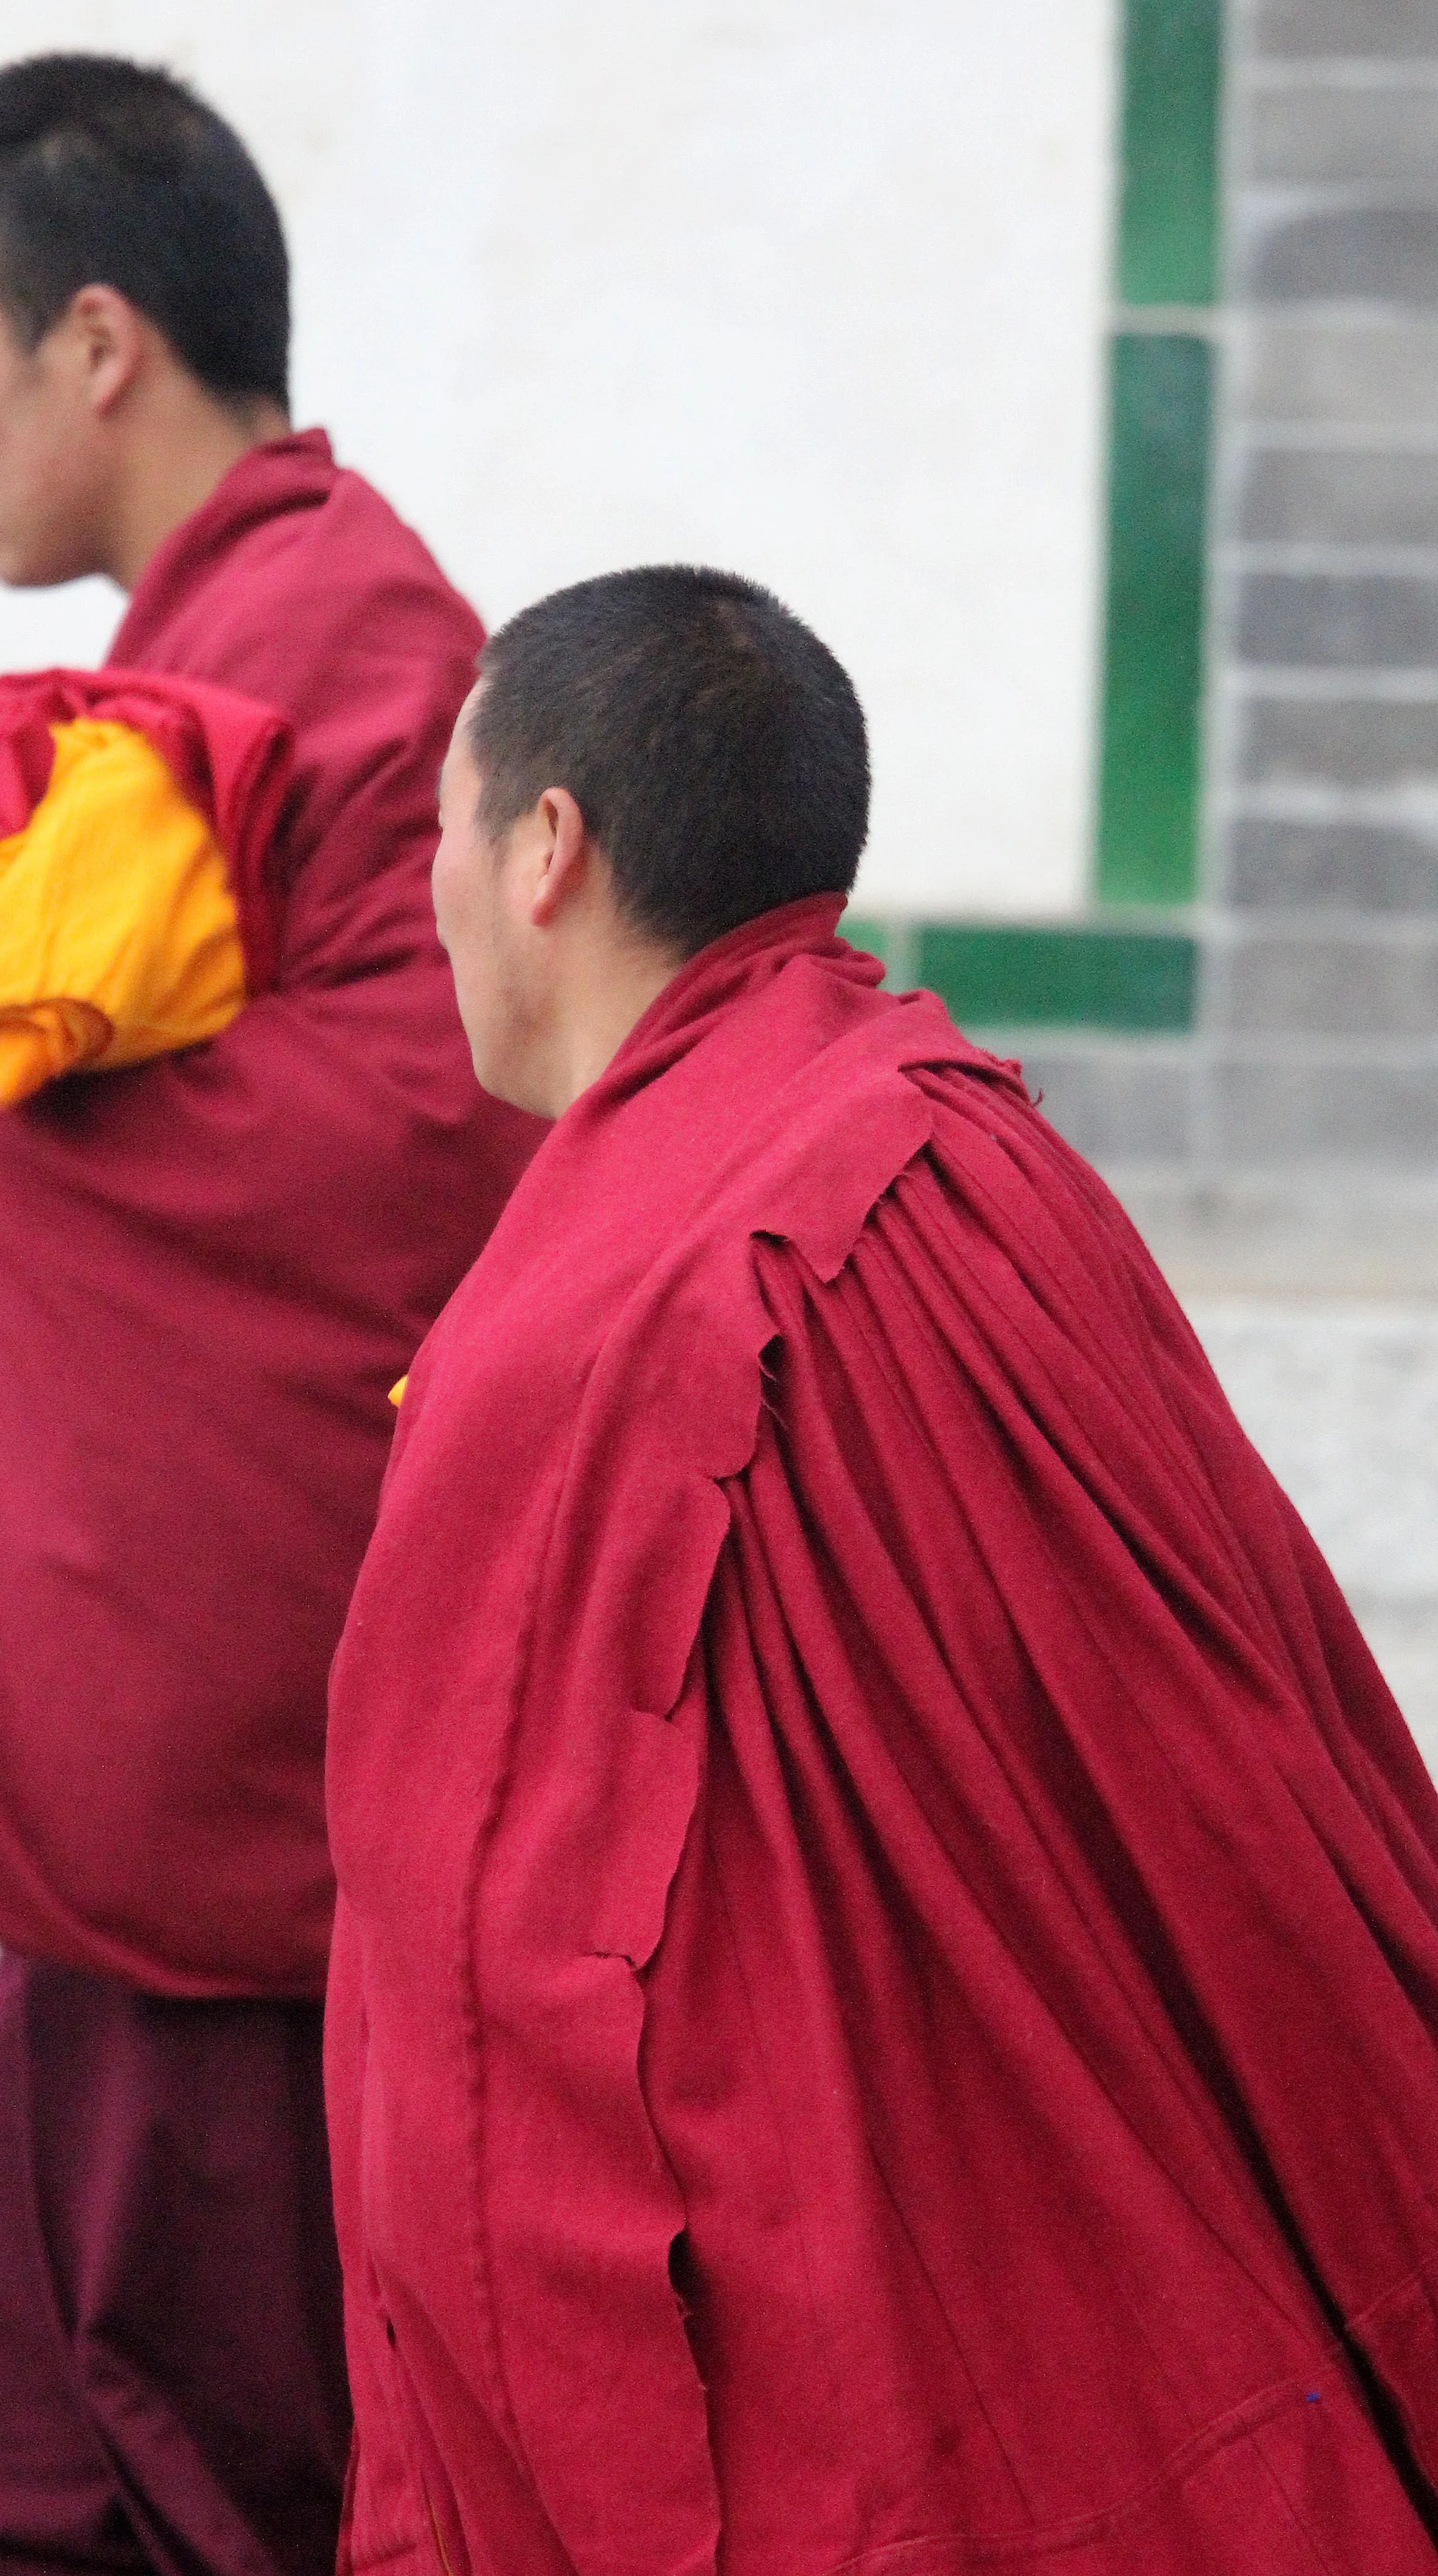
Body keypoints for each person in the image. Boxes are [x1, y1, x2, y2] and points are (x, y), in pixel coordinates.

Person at [323, 564, 1438, 2573]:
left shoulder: (590, 1318)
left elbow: (484, 1995)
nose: (432, 897)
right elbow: (1263, 1757)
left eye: (439, 832)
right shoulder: (971, 1149)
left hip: (831, 2343)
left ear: (547, 850)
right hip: (1139, 2225)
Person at [0, 55, 537, 2576]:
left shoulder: (352, 631)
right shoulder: (238, 628)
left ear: (98, 342)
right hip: (146, 1872)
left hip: (246, 1846)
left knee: (241, 2490)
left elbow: (429, 1160)